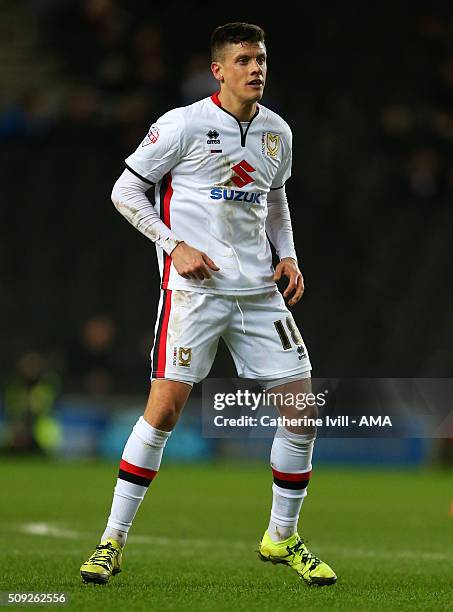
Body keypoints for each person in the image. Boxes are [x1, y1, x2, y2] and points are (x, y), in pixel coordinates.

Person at [80, 22, 337, 587]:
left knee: (303, 412)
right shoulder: (184, 124)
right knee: (165, 410)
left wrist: (287, 255)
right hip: (194, 292)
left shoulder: (277, 131)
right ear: (219, 69)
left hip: (259, 294)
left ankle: (281, 537)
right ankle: (110, 542)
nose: (257, 68)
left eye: (262, 58)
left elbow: (275, 199)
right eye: (244, 59)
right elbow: (126, 190)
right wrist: (175, 245)